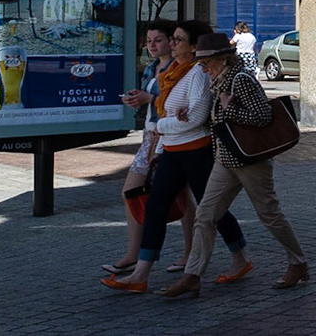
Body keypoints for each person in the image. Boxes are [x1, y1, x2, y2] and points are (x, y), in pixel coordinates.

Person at [102, 22, 251, 294]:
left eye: (178, 40)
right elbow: (171, 112)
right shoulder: (171, 71)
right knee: (156, 207)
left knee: (212, 210)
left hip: (196, 152)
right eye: (173, 39)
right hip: (171, 150)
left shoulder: (197, 73)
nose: (172, 44)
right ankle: (141, 273)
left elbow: (195, 118)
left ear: (194, 47)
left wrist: (162, 127)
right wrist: (160, 147)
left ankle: (240, 258)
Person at [162, 33, 309, 298]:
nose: (202, 67)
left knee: (269, 214)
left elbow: (262, 116)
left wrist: (229, 109)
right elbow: (220, 121)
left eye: (205, 61)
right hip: (225, 159)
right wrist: (195, 115)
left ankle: (298, 263)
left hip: (250, 160)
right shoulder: (217, 81)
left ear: (221, 59)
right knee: (205, 217)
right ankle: (192, 276)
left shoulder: (241, 80)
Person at [105, 21, 195, 278]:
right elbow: (153, 103)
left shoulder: (180, 70)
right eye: (148, 41)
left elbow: (180, 105)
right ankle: (133, 255)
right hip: (150, 136)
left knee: (180, 198)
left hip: (169, 136)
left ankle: (189, 254)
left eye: (158, 40)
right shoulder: (150, 69)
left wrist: (150, 99)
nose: (152, 45)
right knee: (131, 191)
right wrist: (138, 99)